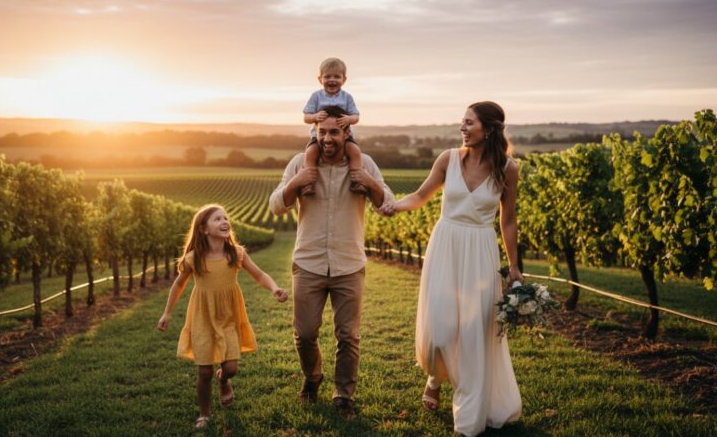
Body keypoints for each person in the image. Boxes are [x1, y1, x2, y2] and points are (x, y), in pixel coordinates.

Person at [382, 101, 523, 436]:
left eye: (469, 122)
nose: (462, 127)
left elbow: (509, 220)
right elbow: (420, 195)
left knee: (474, 334)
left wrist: (514, 266)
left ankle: (469, 416)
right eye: (462, 121)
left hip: (480, 251)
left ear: (488, 129)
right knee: (440, 332)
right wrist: (394, 206)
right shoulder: (448, 159)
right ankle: (435, 376)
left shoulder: (508, 168)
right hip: (445, 246)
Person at [269, 116, 394, 419]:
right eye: (321, 132)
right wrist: (296, 184)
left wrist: (370, 183)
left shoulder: (363, 163)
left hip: (349, 264)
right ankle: (313, 377)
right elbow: (275, 205)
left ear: (346, 132)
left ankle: (344, 396)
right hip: (308, 262)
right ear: (315, 132)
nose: (327, 138)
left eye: (334, 133)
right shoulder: (300, 163)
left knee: (348, 335)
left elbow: (386, 204)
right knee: (305, 333)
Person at [157, 205, 289, 429]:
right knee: (204, 371)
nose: (224, 221)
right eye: (217, 219)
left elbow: (258, 274)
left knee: (231, 367)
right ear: (203, 229)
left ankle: (224, 380)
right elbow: (178, 285)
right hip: (203, 318)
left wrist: (274, 288)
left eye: (225, 217)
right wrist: (167, 312)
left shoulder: (235, 253)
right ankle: (205, 414)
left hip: (229, 316)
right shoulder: (194, 258)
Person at [301, 57, 367, 196]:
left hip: (344, 137)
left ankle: (357, 182)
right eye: (327, 76)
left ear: (344, 79)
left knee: (354, 151)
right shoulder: (316, 97)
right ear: (320, 79)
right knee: (310, 153)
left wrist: (349, 119)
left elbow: (356, 117)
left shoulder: (347, 97)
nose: (332, 80)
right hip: (318, 136)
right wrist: (314, 117)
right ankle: (308, 184)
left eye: (337, 76)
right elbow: (306, 117)